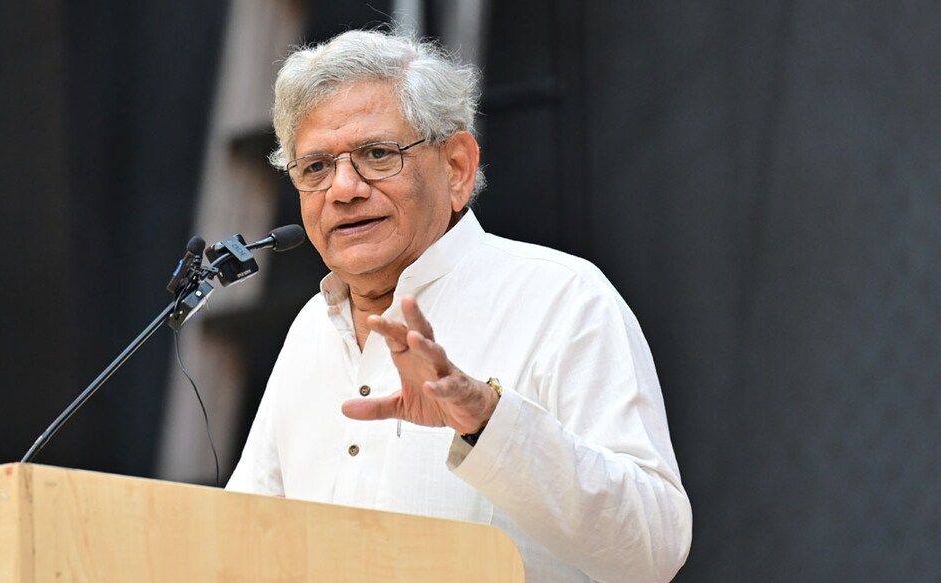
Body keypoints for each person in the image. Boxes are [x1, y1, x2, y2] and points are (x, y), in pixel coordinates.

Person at [226, 29, 692, 582]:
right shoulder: (312, 329)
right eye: (316, 168)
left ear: (456, 168)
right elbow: (243, 534)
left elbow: (654, 548)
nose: (344, 188)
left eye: (377, 154)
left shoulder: (562, 298)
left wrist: (488, 423)